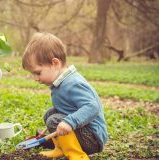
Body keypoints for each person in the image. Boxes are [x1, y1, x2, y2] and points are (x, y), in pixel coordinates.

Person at [22, 32, 108, 160]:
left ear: (55, 63)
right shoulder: (61, 82)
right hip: (83, 132)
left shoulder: (73, 83)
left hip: (92, 138)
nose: (36, 78)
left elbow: (92, 107)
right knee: (49, 114)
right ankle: (60, 149)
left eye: (38, 73)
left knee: (54, 120)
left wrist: (70, 122)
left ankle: (77, 155)